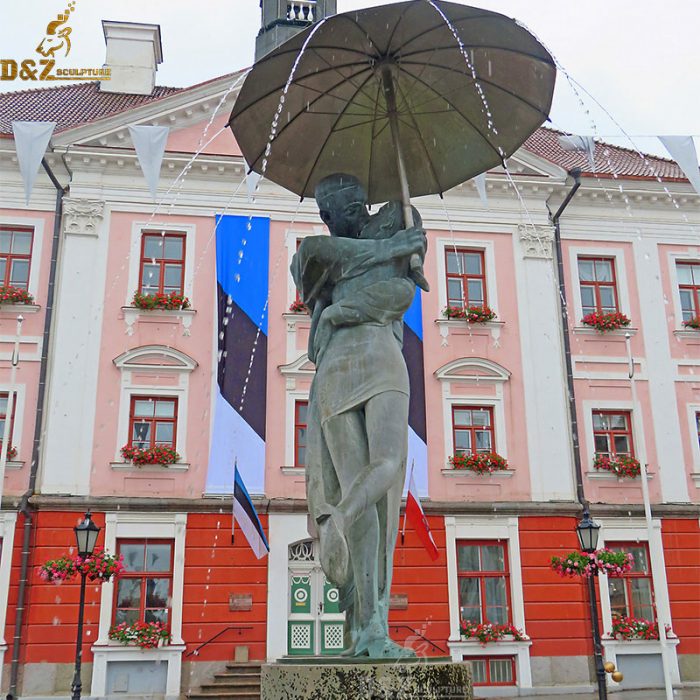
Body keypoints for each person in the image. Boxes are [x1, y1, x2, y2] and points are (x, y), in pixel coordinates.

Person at [291, 173, 426, 657]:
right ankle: (368, 624)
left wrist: (336, 311)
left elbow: (402, 297)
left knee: (376, 495)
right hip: (365, 361)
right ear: (326, 215)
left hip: (348, 362)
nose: (358, 210)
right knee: (382, 485)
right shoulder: (311, 253)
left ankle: (367, 627)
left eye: (358, 202)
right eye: (345, 207)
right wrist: (394, 247)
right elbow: (331, 261)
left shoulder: (400, 219)